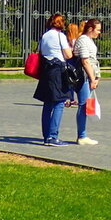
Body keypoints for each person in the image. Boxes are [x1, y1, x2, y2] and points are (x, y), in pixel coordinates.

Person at [32, 12, 73, 146]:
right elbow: (67, 55)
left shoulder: (44, 36)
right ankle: (53, 136)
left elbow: (42, 53)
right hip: (57, 69)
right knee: (59, 102)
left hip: (46, 70)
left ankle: (46, 136)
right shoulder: (60, 35)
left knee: (47, 104)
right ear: (61, 23)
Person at [72, 18, 102, 145]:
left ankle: (83, 134)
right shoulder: (83, 40)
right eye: (98, 30)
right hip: (84, 76)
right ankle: (82, 136)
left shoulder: (88, 40)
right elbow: (85, 61)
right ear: (90, 29)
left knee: (86, 103)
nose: (99, 33)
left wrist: (97, 77)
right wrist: (92, 78)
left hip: (89, 75)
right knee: (84, 104)